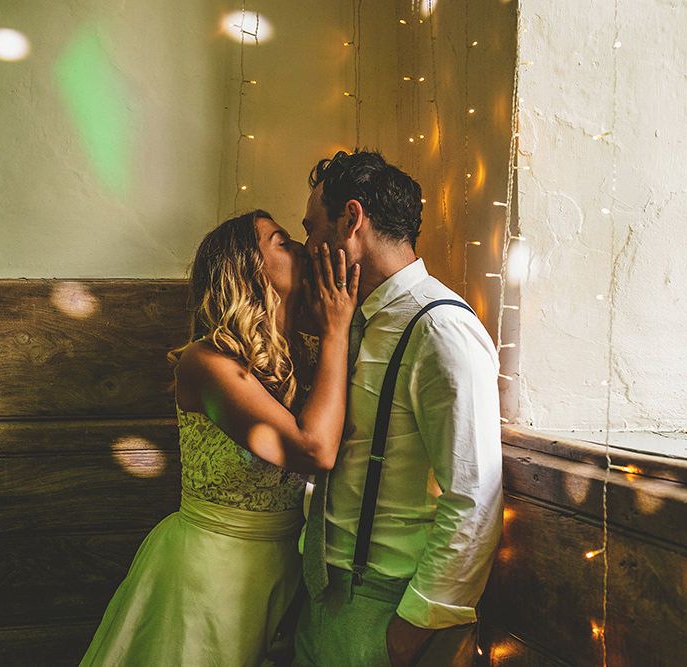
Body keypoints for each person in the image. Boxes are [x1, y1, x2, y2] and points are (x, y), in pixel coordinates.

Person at [80, 209, 360, 666]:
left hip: (289, 566)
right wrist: (337, 332)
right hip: (210, 570)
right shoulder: (206, 362)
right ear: (246, 268)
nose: (298, 248)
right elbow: (315, 450)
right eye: (279, 240)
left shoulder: (309, 353)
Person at [294, 152, 503, 667]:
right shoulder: (348, 318)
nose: (307, 246)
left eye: (311, 227)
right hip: (321, 591)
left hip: (386, 605)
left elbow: (474, 493)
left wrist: (414, 625)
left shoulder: (440, 330)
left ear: (352, 219)